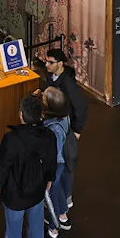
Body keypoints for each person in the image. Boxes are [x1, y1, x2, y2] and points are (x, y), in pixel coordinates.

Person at [0, 95, 57, 238]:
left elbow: (3, 165)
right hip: (38, 190)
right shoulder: (49, 135)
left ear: (21, 114)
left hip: (15, 195)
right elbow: (51, 161)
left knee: (13, 230)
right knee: (36, 227)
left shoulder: (12, 139)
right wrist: (50, 179)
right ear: (41, 115)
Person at [42, 48, 88, 210]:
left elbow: (81, 107)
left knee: (65, 166)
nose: (46, 65)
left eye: (50, 62)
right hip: (56, 127)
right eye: (46, 61)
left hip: (66, 129)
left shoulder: (68, 83)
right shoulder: (50, 76)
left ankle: (65, 199)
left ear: (60, 64)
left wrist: (76, 131)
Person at [41, 88, 71, 237]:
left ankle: (54, 227)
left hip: (55, 165)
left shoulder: (53, 129)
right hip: (61, 162)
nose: (41, 96)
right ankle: (63, 215)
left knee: (51, 194)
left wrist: (48, 175)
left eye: (44, 97)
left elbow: (54, 155)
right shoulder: (64, 117)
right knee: (57, 190)